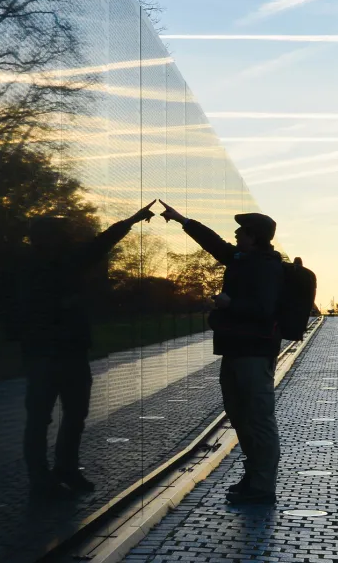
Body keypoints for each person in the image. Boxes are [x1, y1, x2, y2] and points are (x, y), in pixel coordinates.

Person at [22, 201, 156, 499]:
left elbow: (101, 243)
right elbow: (98, 245)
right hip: (46, 351)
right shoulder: (32, 267)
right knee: (42, 416)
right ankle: (42, 476)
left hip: (69, 350)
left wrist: (131, 221)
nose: (68, 235)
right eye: (61, 231)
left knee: (73, 413)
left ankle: (63, 470)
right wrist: (58, 308)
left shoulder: (65, 260)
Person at [158, 199, 283, 506]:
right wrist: (182, 220)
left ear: (254, 237)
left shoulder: (267, 267)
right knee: (240, 416)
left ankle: (263, 486)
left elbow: (266, 310)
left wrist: (230, 305)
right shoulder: (243, 259)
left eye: (242, 232)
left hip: (254, 352)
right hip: (237, 350)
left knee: (258, 418)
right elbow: (215, 244)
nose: (236, 235)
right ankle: (252, 476)